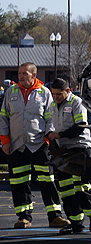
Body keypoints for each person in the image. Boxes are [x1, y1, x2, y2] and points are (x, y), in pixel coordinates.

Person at [0, 63, 70, 229]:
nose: (21, 76)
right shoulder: (11, 92)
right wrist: (5, 141)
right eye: (19, 73)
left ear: (34, 75)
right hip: (17, 145)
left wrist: (49, 138)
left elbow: (50, 118)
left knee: (48, 181)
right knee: (19, 182)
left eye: (25, 73)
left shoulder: (44, 92)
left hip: (39, 144)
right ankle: (23, 218)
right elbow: (3, 118)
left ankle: (55, 217)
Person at [47, 78, 91, 234]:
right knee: (65, 189)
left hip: (80, 149)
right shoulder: (52, 105)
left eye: (59, 94)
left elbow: (80, 126)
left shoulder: (77, 103)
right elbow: (50, 124)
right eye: (54, 94)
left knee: (80, 186)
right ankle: (76, 223)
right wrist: (49, 133)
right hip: (63, 151)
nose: (56, 97)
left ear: (68, 91)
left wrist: (59, 134)